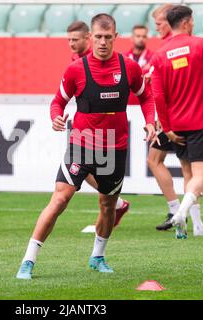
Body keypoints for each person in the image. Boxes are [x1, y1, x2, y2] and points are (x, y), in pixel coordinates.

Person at [16, 14, 156, 280]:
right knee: (59, 199)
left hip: (116, 148)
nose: (102, 42)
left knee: (108, 205)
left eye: (108, 37)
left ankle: (98, 257)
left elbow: (146, 96)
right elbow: (58, 101)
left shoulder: (130, 68)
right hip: (81, 143)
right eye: (98, 37)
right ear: (91, 38)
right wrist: (56, 117)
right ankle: (28, 261)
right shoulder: (76, 69)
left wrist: (151, 122)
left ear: (116, 37)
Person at [151, 5, 203, 239]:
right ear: (186, 22)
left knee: (187, 172)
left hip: (176, 127)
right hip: (198, 122)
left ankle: (197, 227)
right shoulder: (201, 45)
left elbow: (158, 95)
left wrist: (167, 128)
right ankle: (182, 212)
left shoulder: (159, 55)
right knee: (201, 176)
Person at [67, 20, 130, 227]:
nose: (71, 44)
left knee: (93, 174)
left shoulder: (99, 60)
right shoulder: (78, 62)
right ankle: (117, 203)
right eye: (69, 40)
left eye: (75, 40)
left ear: (87, 38)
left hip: (108, 132)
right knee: (84, 171)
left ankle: (112, 209)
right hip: (85, 129)